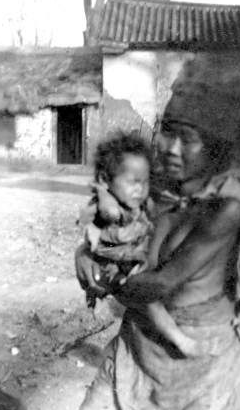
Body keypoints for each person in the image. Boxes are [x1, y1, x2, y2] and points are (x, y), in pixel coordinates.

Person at [58, 100, 240, 410]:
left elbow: (161, 284)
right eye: (168, 131)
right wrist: (84, 256)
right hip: (137, 348)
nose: (172, 147)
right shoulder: (151, 190)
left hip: (199, 363)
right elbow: (108, 238)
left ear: (217, 149)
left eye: (189, 138)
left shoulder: (226, 210)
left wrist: (108, 276)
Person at [80, 133, 198, 355]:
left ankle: (135, 345)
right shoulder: (106, 204)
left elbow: (154, 202)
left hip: (132, 259)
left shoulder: (131, 198)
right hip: (116, 265)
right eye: (134, 182)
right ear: (105, 180)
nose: (140, 189)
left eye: (145, 182)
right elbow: (107, 215)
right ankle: (179, 339)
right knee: (148, 300)